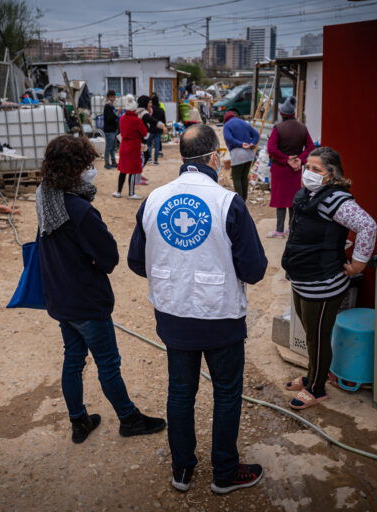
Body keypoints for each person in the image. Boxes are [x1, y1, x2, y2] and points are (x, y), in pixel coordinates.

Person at [127, 124, 268, 495]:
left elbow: (137, 262)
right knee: (225, 394)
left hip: (173, 318)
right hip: (220, 318)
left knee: (180, 393)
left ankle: (182, 470)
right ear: (214, 158)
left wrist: (176, 270)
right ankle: (224, 473)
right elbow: (254, 269)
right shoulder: (227, 202)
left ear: (181, 158)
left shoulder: (154, 200)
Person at [35, 135, 167, 444]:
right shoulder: (78, 209)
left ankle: (78, 420)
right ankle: (128, 418)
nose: (92, 170)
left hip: (59, 298)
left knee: (73, 358)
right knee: (108, 362)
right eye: (87, 165)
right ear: (73, 169)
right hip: (85, 301)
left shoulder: (46, 194)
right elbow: (109, 258)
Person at [280, 147, 377, 409]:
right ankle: (313, 375)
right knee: (312, 335)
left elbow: (368, 225)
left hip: (323, 284)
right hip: (304, 278)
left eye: (316, 170)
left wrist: (358, 264)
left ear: (331, 175)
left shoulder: (336, 200)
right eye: (307, 168)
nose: (308, 174)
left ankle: (316, 388)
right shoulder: (310, 194)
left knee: (318, 337)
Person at [266, 96, 315, 239]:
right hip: (296, 169)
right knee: (293, 199)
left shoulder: (278, 128)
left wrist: (286, 159)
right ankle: (292, 229)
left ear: (282, 114)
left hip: (280, 168)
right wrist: (300, 159)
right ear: (293, 114)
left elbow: (271, 149)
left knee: (281, 200)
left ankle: (279, 231)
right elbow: (311, 147)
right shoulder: (302, 128)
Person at [222, 110, 259, 201]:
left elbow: (228, 138)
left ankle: (240, 200)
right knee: (244, 177)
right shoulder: (244, 122)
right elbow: (256, 135)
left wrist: (240, 144)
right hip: (249, 154)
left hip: (238, 154)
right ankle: (244, 198)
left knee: (236, 177)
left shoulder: (227, 125)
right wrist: (252, 143)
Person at [116, 95, 146, 199]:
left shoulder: (122, 118)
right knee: (132, 171)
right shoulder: (136, 120)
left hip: (124, 145)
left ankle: (118, 192)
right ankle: (131, 193)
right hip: (133, 146)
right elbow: (144, 133)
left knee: (123, 170)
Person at [103, 90, 119, 169]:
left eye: (114, 96)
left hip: (113, 129)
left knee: (113, 147)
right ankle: (106, 163)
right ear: (108, 97)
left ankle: (113, 162)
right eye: (111, 97)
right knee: (108, 147)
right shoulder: (107, 106)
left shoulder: (111, 106)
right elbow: (110, 118)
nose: (113, 98)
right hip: (109, 130)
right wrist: (117, 114)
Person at [150, 94, 167, 164]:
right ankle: (156, 161)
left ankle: (149, 159)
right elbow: (164, 121)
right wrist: (163, 128)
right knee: (157, 146)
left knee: (149, 144)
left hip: (151, 129)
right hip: (159, 129)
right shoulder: (161, 110)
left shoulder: (150, 109)